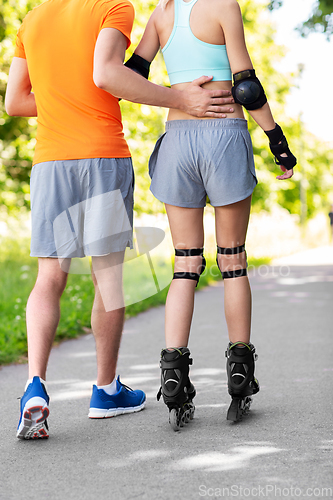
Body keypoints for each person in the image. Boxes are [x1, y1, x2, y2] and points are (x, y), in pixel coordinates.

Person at [5, 0, 236, 439]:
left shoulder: (33, 19)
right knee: (106, 277)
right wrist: (179, 97)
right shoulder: (112, 8)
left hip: (50, 161)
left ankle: (35, 386)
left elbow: (15, 101)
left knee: (48, 278)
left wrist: (61, 101)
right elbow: (108, 74)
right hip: (102, 156)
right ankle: (106, 390)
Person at [130, 0, 297, 430]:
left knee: (185, 264)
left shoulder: (161, 16)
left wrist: (172, 96)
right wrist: (278, 142)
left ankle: (172, 378)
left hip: (178, 137)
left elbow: (130, 77)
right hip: (223, 132)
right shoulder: (223, 5)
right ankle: (240, 374)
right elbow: (246, 86)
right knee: (232, 260)